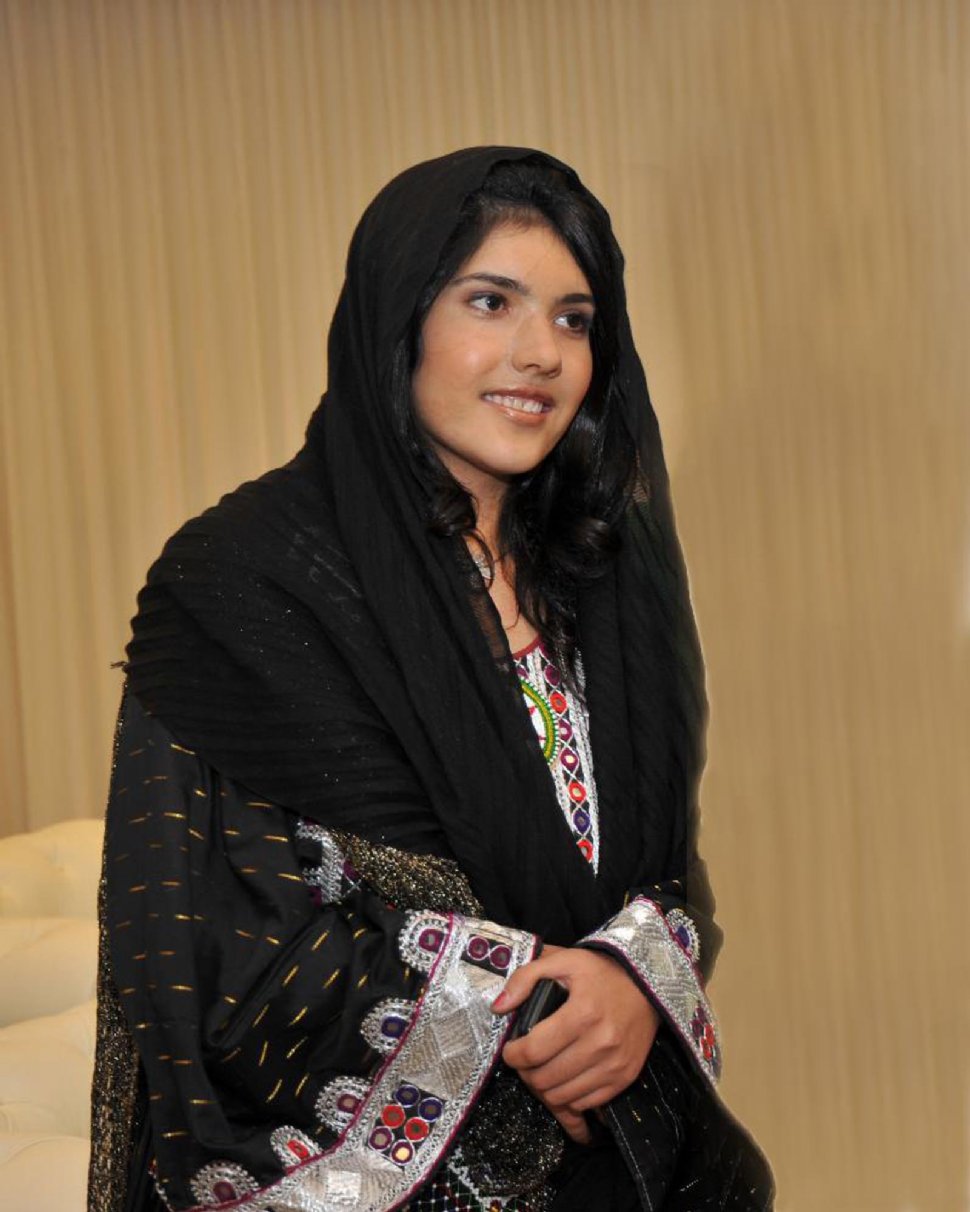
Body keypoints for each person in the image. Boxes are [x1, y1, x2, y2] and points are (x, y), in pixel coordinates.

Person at [88, 147, 774, 1212]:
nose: (539, 353)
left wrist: (632, 979)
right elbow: (219, 947)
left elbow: (662, 870)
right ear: (397, 320)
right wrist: (545, 1032)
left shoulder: (605, 564)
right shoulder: (242, 581)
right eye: (490, 302)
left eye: (574, 319)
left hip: (622, 1162)